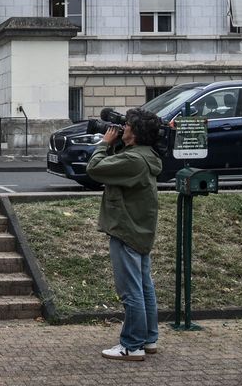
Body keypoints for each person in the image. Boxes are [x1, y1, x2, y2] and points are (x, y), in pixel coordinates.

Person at [87, 108, 163, 362]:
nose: (123, 128)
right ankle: (149, 338)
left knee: (131, 291)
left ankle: (132, 345)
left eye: (127, 125)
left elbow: (95, 169)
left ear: (136, 133)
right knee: (144, 287)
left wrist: (103, 143)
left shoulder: (133, 161)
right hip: (140, 229)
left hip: (127, 230)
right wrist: (117, 143)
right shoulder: (145, 156)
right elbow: (115, 165)